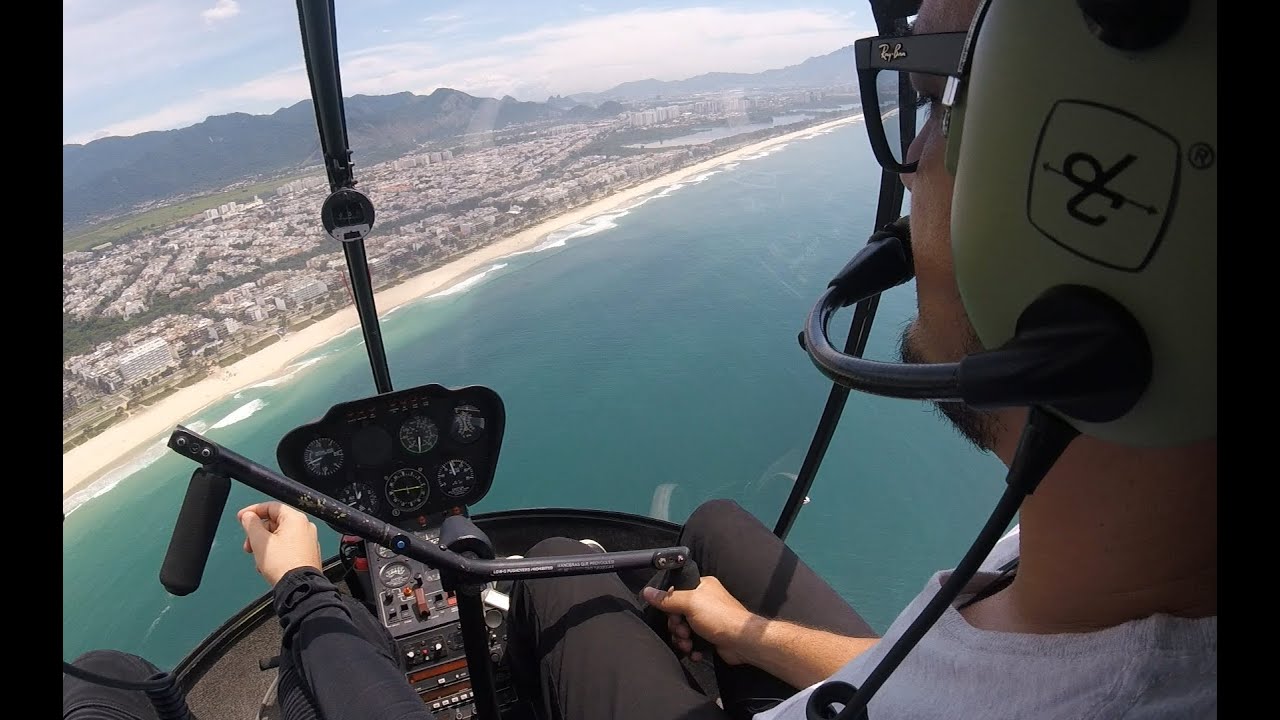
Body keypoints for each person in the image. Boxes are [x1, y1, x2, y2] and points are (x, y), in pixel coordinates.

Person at [66, 0, 1215, 717]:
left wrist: (307, 585)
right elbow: (914, 674)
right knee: (711, 524)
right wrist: (752, 635)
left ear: (1098, 196)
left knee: (566, 574)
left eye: (934, 90)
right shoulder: (1088, 582)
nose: (911, 162)